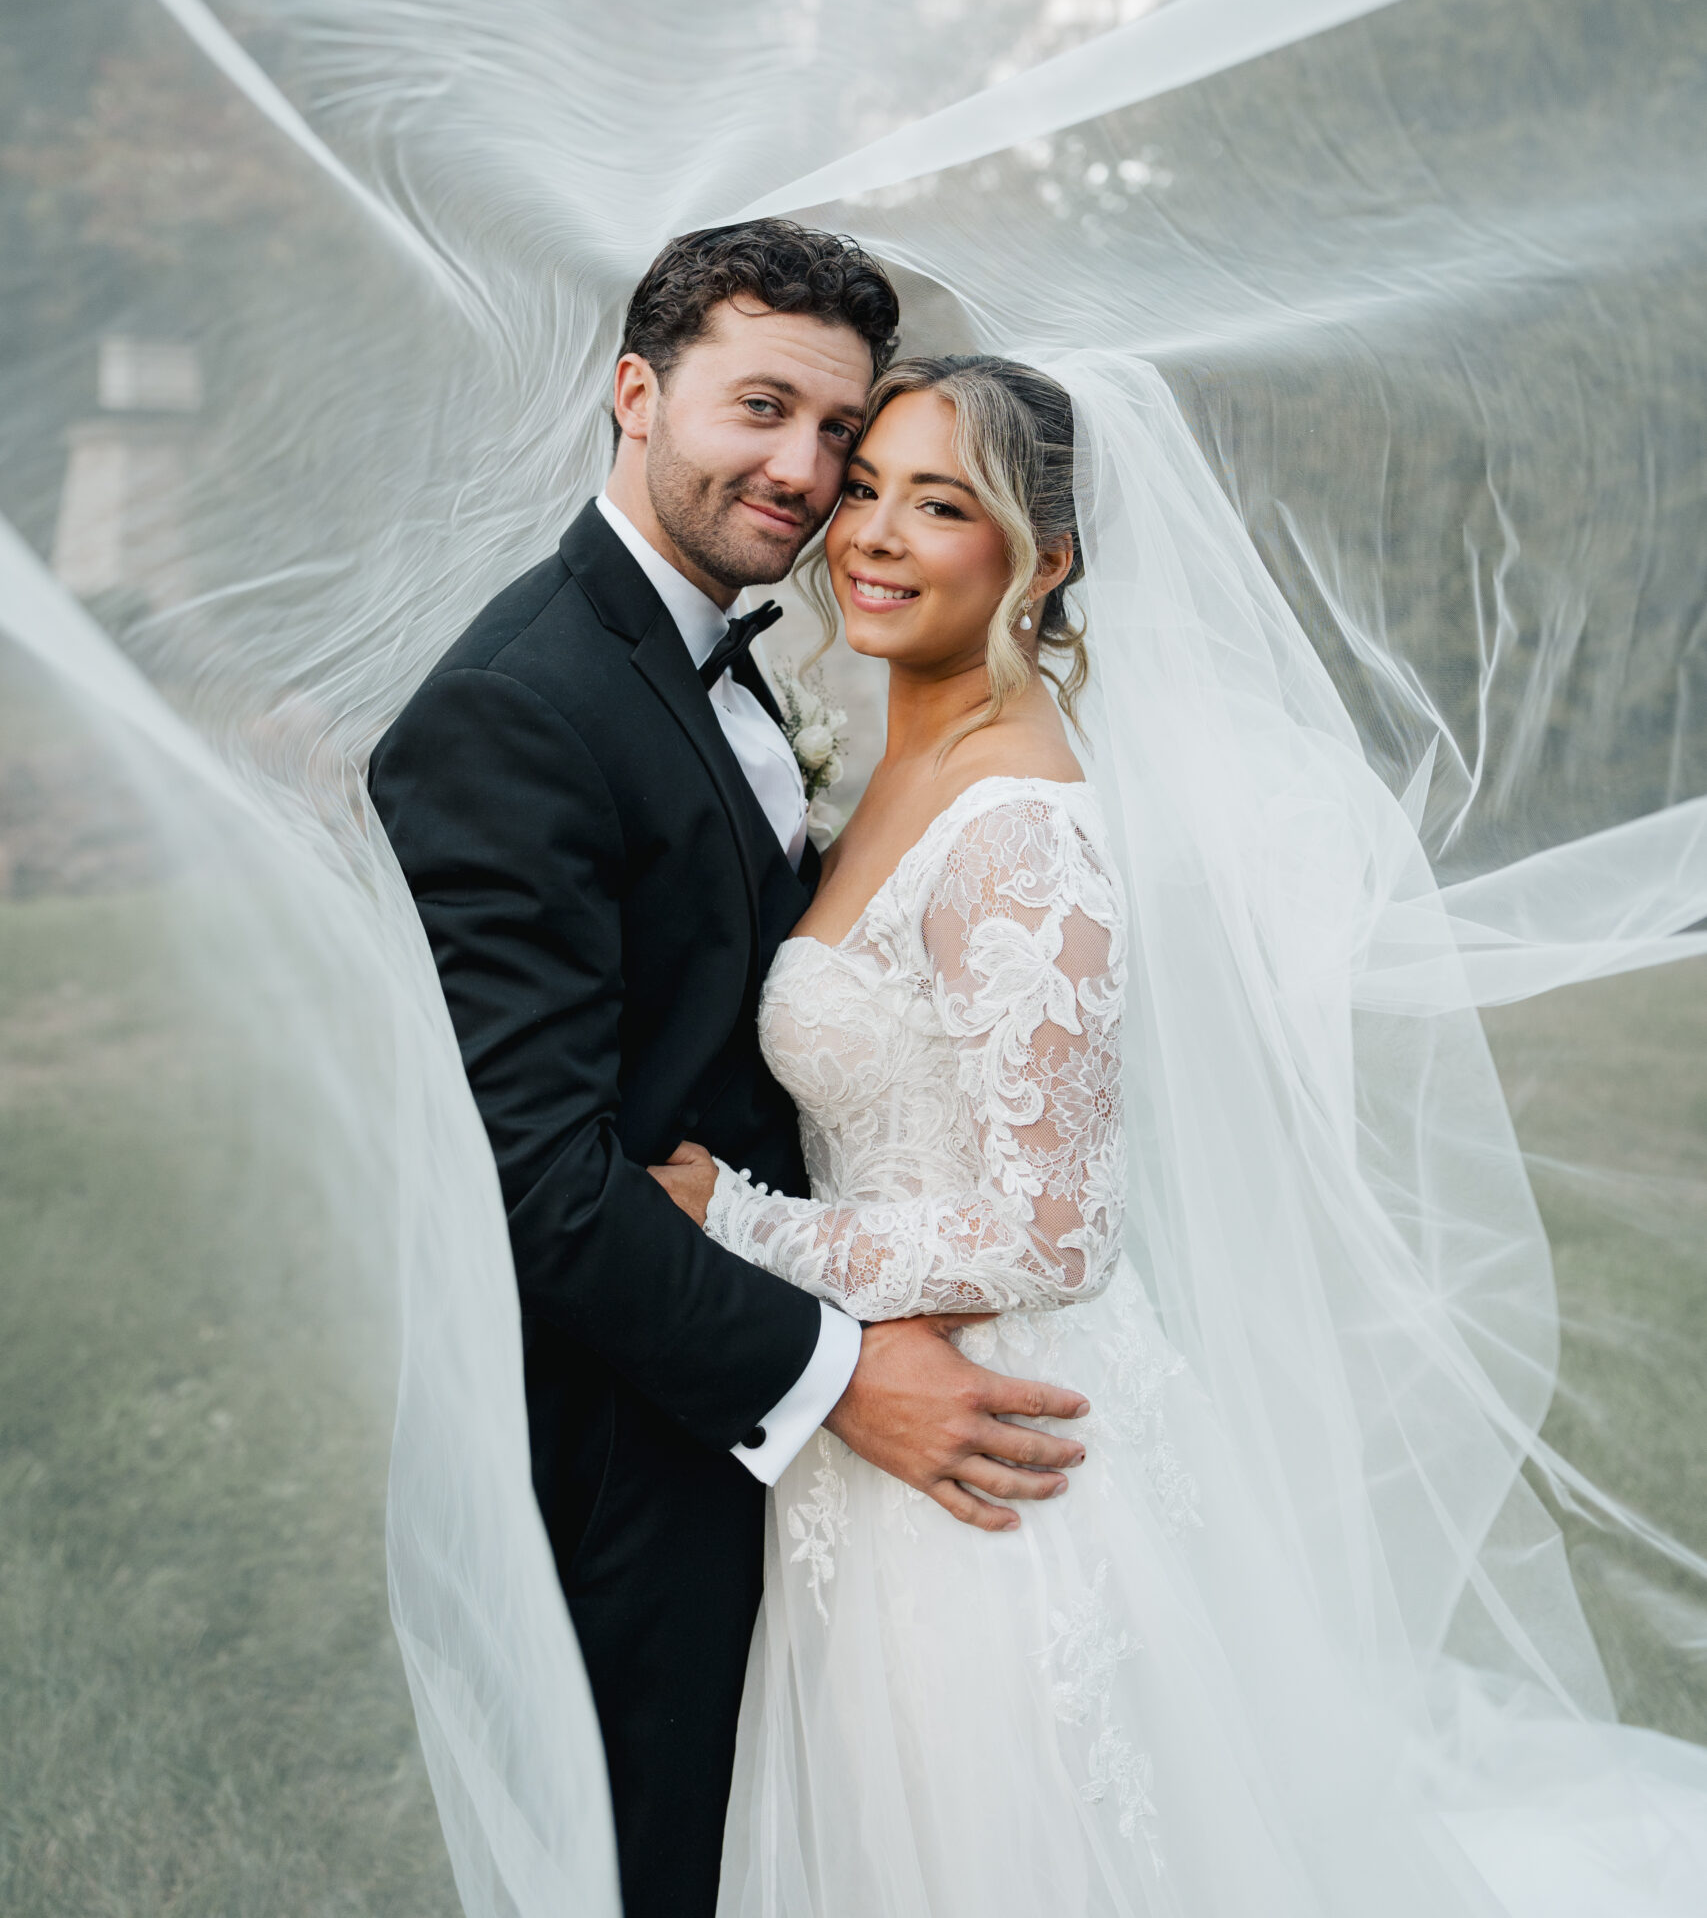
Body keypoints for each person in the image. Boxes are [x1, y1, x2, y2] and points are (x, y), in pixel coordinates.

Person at [651, 353, 1707, 1918]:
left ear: (1044, 559)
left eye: (938, 504)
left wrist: (740, 1227)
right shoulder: (902, 762)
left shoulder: (1021, 831)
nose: (869, 533)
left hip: (998, 1447)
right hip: (879, 1417)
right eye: (863, 489)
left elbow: (1057, 1229)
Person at [366, 228, 1091, 1918]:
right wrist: (836, 1372)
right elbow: (537, 1183)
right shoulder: (516, 707)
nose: (806, 472)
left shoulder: (724, 650)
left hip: (789, 1423)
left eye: (838, 431)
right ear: (637, 393)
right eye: (761, 408)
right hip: (643, 1439)